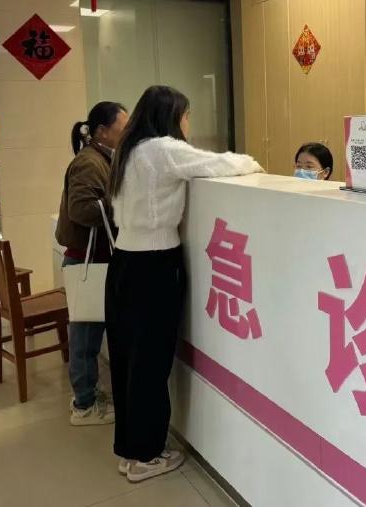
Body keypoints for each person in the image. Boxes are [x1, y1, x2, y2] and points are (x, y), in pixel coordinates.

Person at [106, 85, 262, 483]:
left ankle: (130, 450)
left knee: (128, 359)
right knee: (151, 363)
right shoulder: (163, 150)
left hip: (123, 264)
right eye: (186, 115)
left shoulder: (128, 151)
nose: (188, 123)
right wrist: (253, 163)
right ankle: (146, 456)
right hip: (154, 265)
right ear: (172, 116)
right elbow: (224, 163)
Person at [55, 101, 129, 426]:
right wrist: (120, 200)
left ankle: (88, 395)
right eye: (122, 127)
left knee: (88, 334)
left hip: (93, 258)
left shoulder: (101, 158)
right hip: (87, 261)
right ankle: (84, 406)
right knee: (85, 338)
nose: (127, 133)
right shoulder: (89, 162)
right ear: (102, 131)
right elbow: (82, 210)